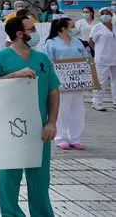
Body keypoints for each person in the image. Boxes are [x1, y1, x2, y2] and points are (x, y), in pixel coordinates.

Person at [0, 15, 60, 217]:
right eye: (31, 29)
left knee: (40, 179)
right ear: (20, 34)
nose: (35, 32)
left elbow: (53, 90)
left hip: (39, 128)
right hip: (9, 128)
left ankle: (42, 213)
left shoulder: (42, 59)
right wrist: (13, 76)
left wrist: (51, 121)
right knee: (9, 178)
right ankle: (11, 214)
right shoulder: (0, 58)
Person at [44, 18, 90, 149]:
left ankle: (75, 137)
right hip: (60, 81)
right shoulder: (51, 43)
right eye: (72, 26)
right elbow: (49, 61)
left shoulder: (77, 42)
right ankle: (60, 137)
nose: (75, 28)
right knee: (62, 109)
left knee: (77, 110)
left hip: (77, 80)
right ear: (63, 28)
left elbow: (86, 59)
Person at [89, 8, 116, 111]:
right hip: (102, 58)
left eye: (107, 13)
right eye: (103, 14)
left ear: (111, 15)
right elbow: (91, 41)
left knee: (115, 81)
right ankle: (97, 102)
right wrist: (98, 51)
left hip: (114, 57)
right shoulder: (97, 27)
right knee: (101, 81)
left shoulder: (115, 26)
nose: (105, 15)